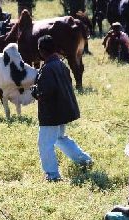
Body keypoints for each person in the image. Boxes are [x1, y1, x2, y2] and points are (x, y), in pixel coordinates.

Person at [31, 35, 92, 182]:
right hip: (63, 111)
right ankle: (85, 161)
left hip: (51, 114)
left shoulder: (47, 68)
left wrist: (36, 92)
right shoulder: (61, 64)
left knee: (45, 144)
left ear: (41, 51)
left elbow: (46, 92)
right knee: (59, 138)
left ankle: (52, 176)